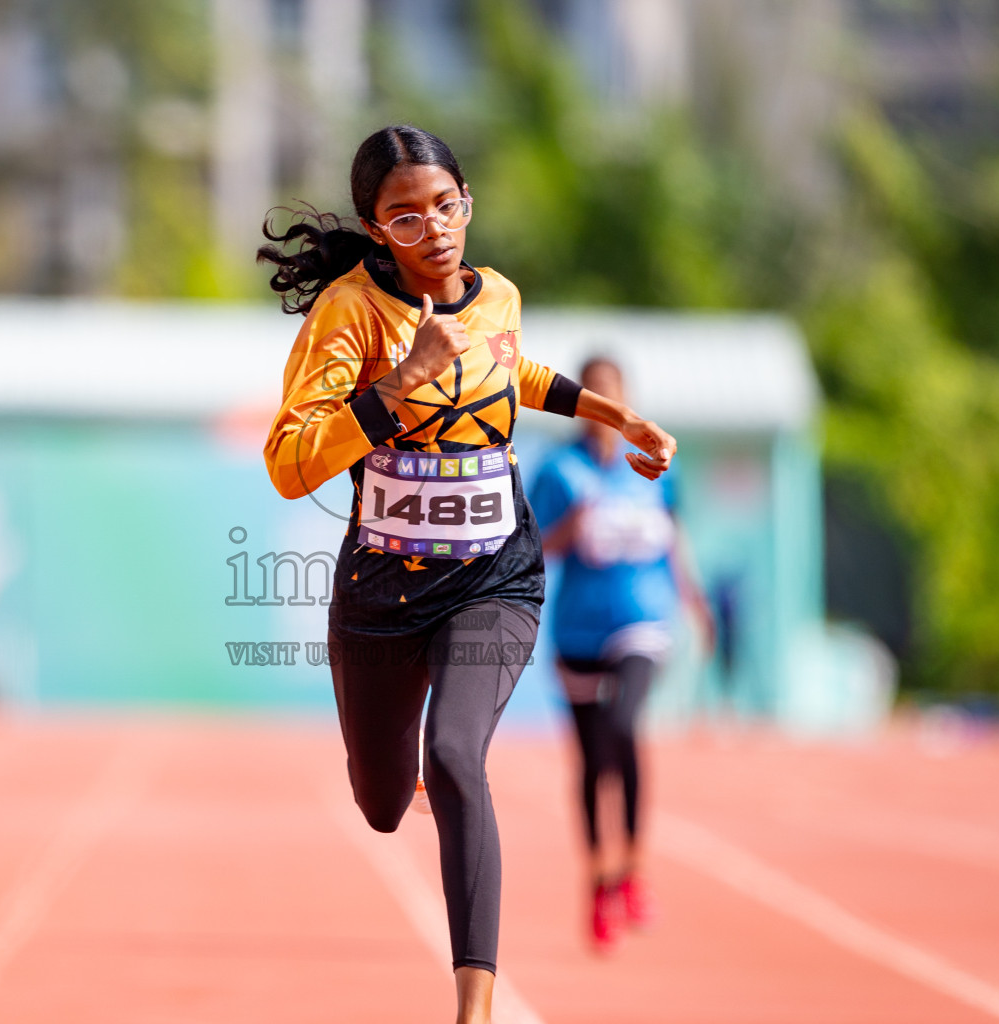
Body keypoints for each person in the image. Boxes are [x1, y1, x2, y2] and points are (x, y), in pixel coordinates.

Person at [259, 125, 676, 1023]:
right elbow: (289, 464)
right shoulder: (349, 314)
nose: (434, 230)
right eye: (405, 218)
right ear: (375, 230)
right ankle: (394, 769)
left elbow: (512, 369)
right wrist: (396, 385)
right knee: (378, 804)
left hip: (494, 576)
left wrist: (619, 416)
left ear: (468, 204)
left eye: (446, 207)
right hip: (380, 594)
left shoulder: (500, 296)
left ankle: (472, 1007)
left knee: (455, 757)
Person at [529, 356, 712, 950]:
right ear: (584, 403)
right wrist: (570, 528)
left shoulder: (654, 463)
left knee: (625, 725)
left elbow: (674, 535)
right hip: (578, 629)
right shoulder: (559, 471)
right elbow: (530, 548)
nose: (607, 405)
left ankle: (634, 869)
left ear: (628, 399)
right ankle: (598, 882)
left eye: (616, 392)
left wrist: (696, 601)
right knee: (589, 761)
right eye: (596, 393)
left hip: (643, 618)